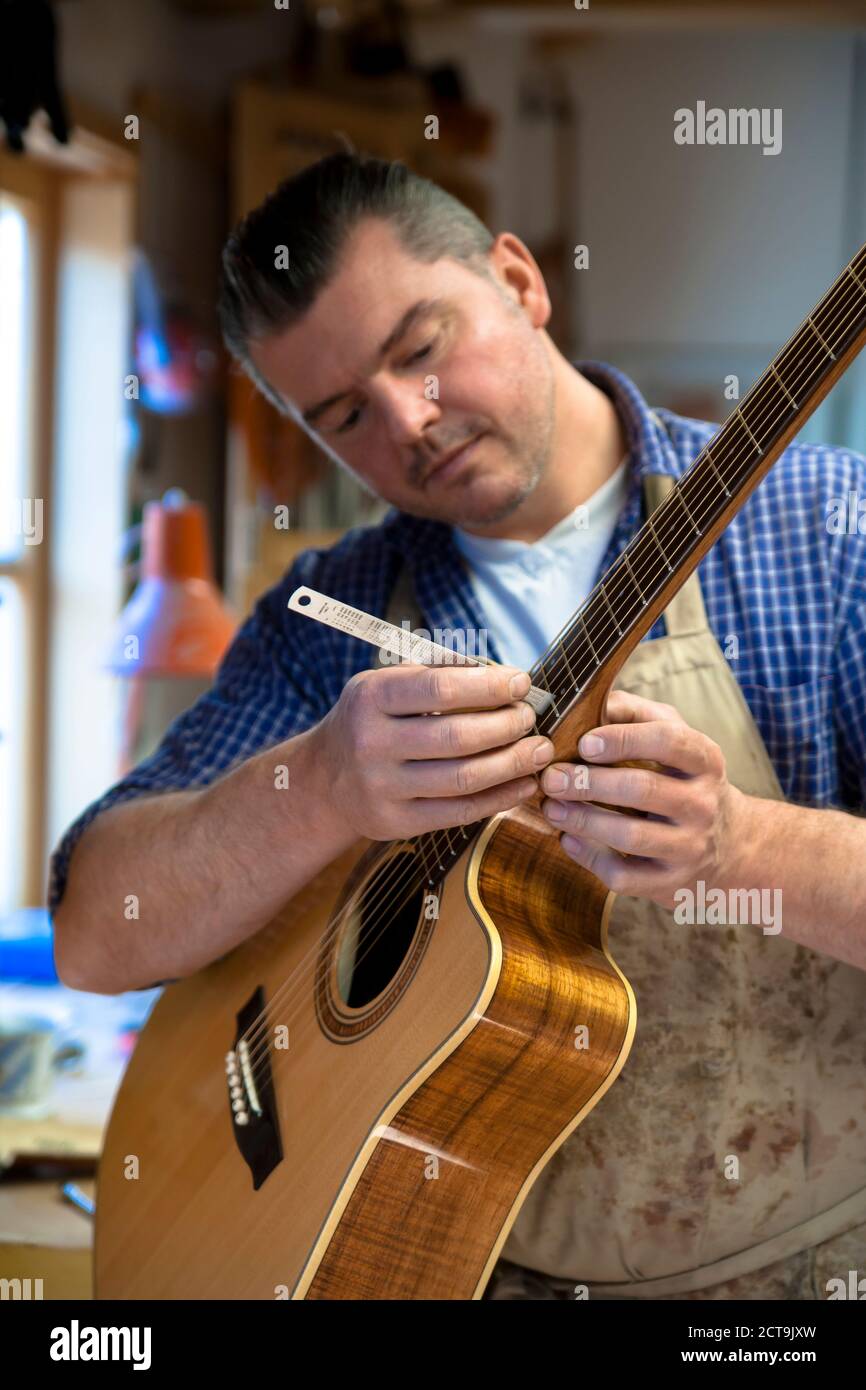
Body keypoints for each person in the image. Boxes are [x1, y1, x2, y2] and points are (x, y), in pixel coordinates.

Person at [50, 152, 866, 1301]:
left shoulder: (827, 537)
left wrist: (744, 851)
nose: (405, 424)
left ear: (520, 282)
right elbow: (94, 927)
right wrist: (321, 785)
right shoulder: (326, 616)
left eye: (419, 349)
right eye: (340, 414)